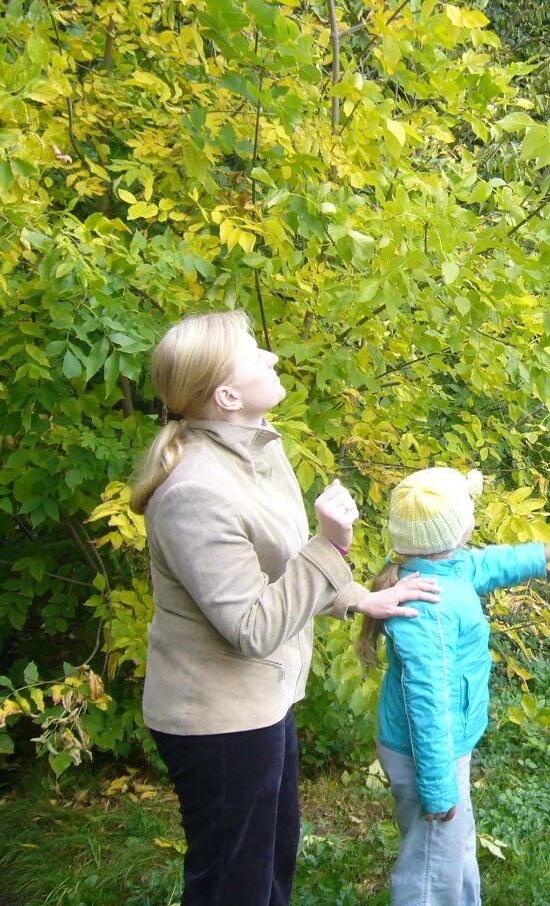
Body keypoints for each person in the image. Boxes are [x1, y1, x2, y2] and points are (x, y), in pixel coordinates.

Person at [131, 310, 439, 906]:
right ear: (226, 395)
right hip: (218, 719)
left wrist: (359, 596)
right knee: (234, 884)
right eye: (254, 353)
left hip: (264, 701)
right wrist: (329, 545)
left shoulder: (257, 452)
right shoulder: (195, 491)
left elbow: (278, 571)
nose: (272, 358)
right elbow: (251, 625)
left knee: (271, 863)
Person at [356, 466, 550, 906]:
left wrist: (546, 552)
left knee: (453, 853)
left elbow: (487, 563)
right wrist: (439, 789)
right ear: (456, 530)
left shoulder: (442, 571)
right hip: (428, 753)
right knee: (428, 875)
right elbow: (429, 704)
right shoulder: (429, 606)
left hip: (444, 749)